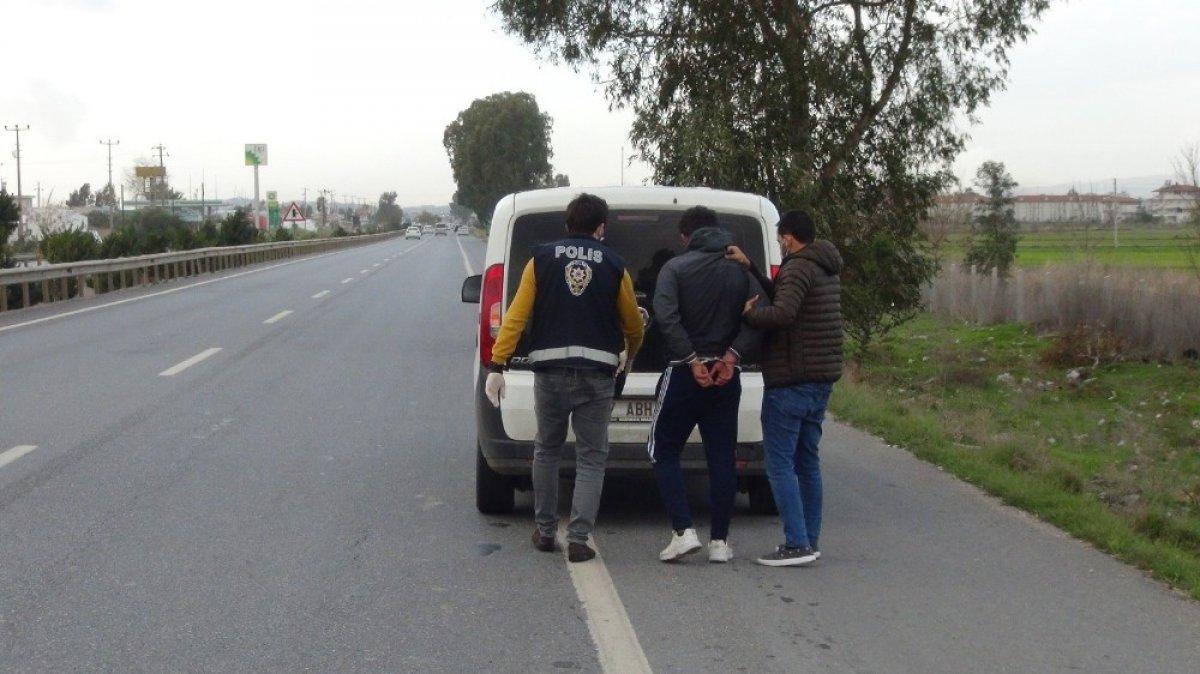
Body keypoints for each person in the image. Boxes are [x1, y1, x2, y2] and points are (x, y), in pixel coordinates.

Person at [485, 193, 644, 563]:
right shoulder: (615, 265)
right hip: (597, 376)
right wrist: (630, 354)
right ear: (601, 227)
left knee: (547, 450)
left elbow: (516, 317)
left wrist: (497, 363)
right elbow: (633, 324)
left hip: (550, 373)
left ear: (567, 224)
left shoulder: (540, 260)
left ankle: (544, 531)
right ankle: (578, 539)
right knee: (591, 458)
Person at [650, 206, 765, 564]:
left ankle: (683, 532)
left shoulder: (675, 268)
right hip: (726, 375)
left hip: (684, 373)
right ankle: (719, 542)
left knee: (663, 449)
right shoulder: (742, 270)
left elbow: (665, 316)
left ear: (686, 237)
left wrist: (692, 359)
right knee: (722, 457)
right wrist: (732, 356)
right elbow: (760, 316)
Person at [729, 210, 844, 567]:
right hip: (819, 380)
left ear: (789, 237)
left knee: (779, 463)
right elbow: (785, 296)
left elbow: (782, 313)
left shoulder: (797, 267)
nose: (779, 242)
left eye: (780, 237)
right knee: (807, 462)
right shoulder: (823, 266)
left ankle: (796, 543)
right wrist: (751, 266)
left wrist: (748, 315)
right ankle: (810, 540)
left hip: (792, 379)